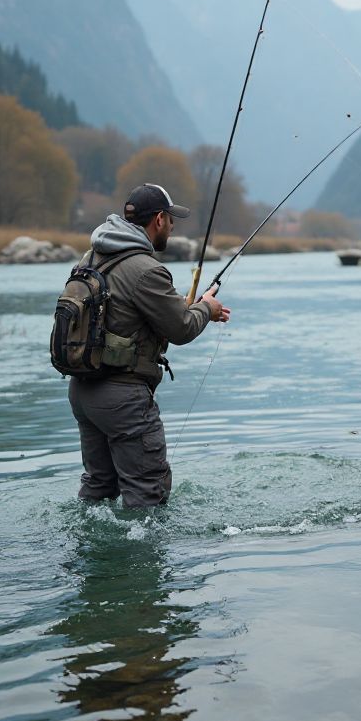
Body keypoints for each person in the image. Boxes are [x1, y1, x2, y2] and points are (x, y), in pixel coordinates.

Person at [68, 183, 230, 507]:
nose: (172, 226)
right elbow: (182, 329)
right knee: (147, 495)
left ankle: (86, 553)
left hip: (83, 391)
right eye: (171, 220)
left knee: (98, 489)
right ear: (158, 220)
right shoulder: (146, 270)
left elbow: (124, 319)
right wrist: (206, 308)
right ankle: (140, 557)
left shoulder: (92, 257)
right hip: (122, 400)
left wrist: (183, 308)